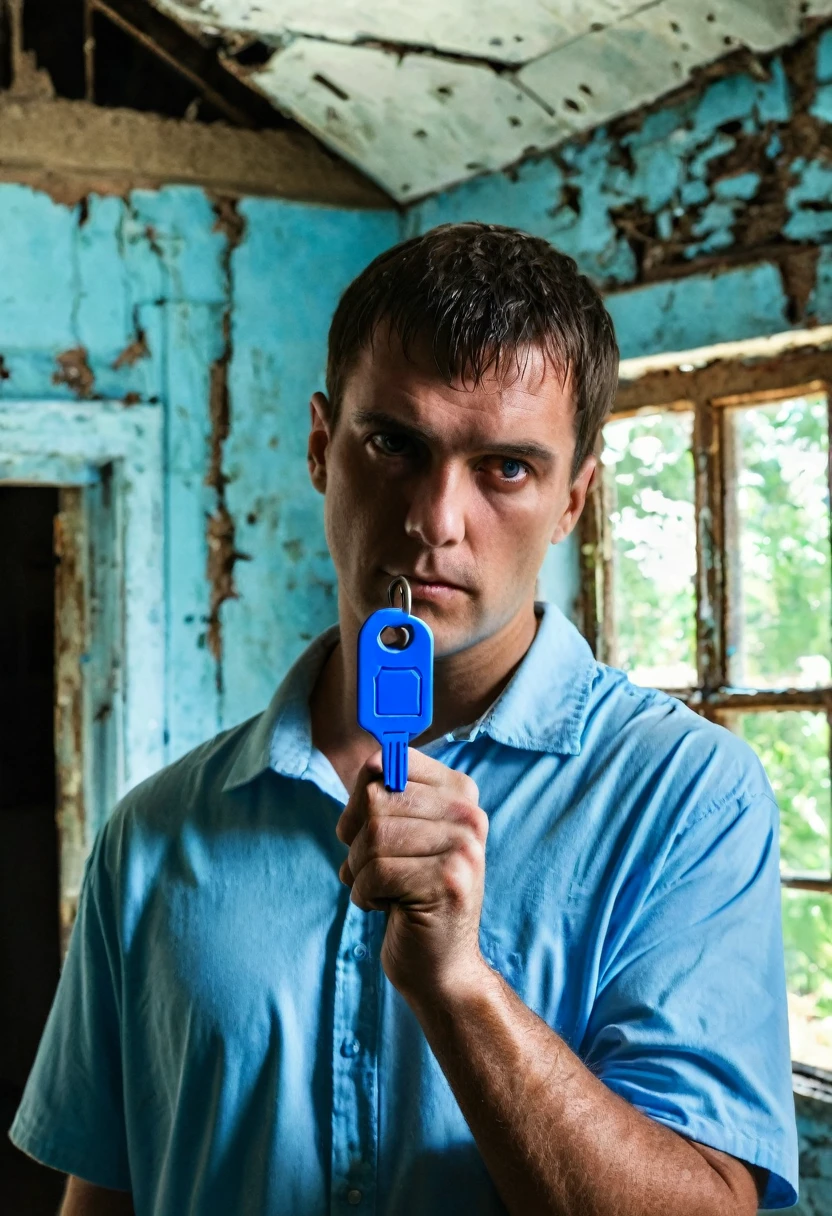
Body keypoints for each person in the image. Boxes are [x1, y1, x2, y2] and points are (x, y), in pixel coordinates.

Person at [10, 223, 798, 1215]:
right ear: (318, 446)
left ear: (574, 502)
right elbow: (106, 1194)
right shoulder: (151, 833)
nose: (436, 519)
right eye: (394, 444)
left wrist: (460, 988)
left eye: (505, 467)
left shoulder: (685, 798)